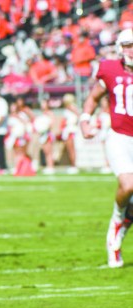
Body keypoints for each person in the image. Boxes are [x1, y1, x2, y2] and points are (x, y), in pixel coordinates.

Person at [80, 28, 133, 268]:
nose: (130, 50)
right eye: (126, 45)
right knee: (129, 184)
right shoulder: (110, 69)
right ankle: (117, 218)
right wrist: (84, 119)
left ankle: (119, 231)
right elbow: (94, 96)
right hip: (120, 137)